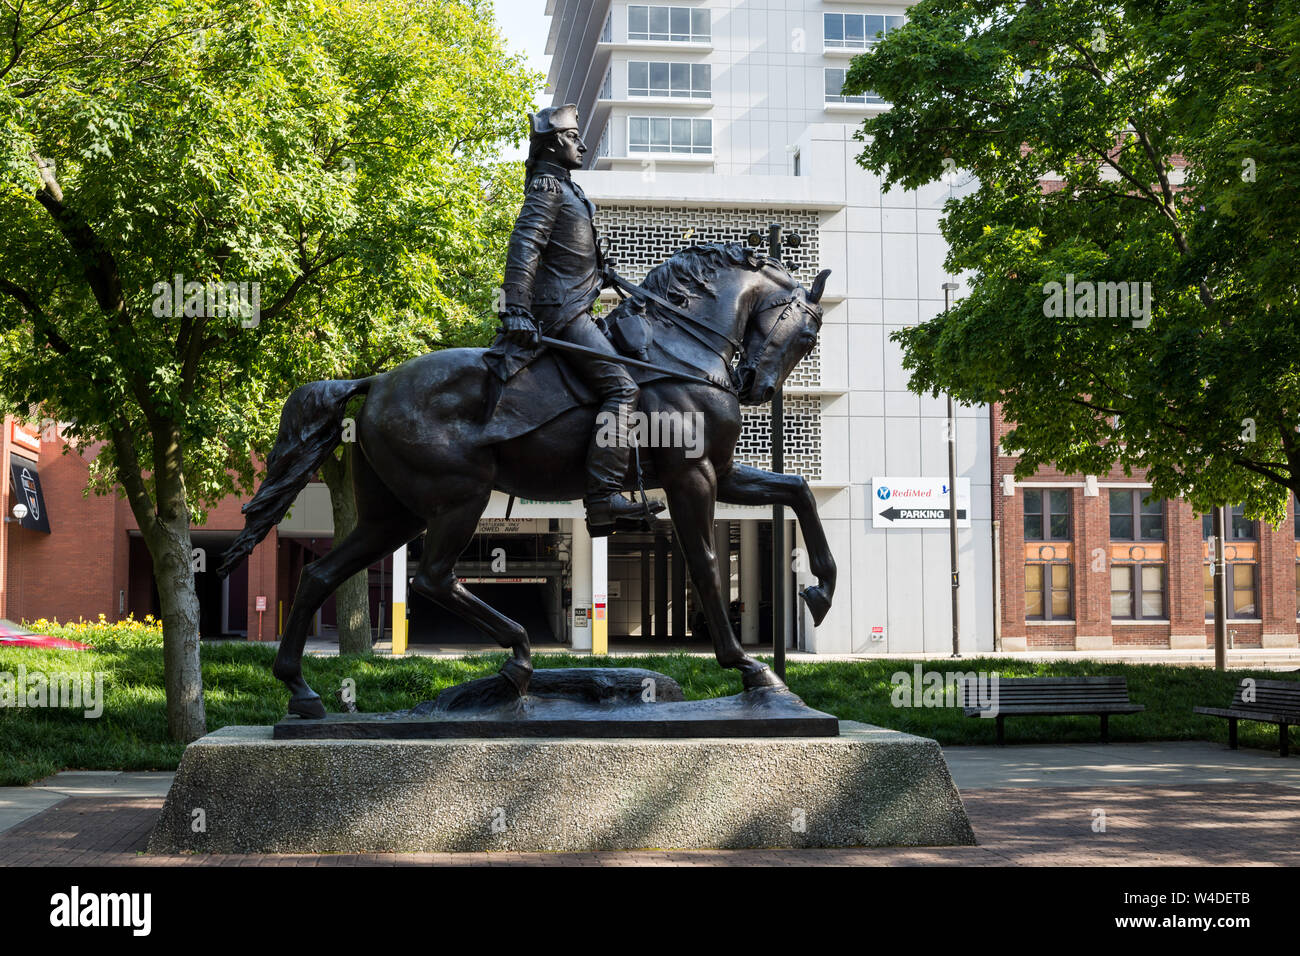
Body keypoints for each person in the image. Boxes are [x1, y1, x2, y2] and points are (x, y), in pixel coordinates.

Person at [498, 104, 660, 530]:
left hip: (575, 304)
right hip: (559, 311)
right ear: (554, 142)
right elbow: (526, 245)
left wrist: (606, 272)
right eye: (574, 137)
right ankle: (603, 497)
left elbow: (565, 253)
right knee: (623, 388)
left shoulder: (569, 189)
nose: (582, 144)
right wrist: (514, 306)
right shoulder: (548, 185)